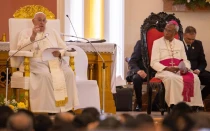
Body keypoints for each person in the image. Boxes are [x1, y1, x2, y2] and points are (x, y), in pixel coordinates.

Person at [17, 12, 79, 113]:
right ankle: (49, 109)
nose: (42, 23)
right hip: (36, 62)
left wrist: (60, 53)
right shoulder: (26, 32)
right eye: (39, 20)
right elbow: (20, 48)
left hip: (55, 61)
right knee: (46, 75)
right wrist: (33, 36)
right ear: (33, 21)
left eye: (44, 20)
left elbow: (65, 47)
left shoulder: (53, 32)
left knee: (69, 73)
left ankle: (67, 108)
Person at [150, 20, 203, 108]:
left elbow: (185, 60)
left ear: (175, 33)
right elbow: (153, 62)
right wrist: (167, 68)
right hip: (164, 71)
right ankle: (174, 105)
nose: (166, 32)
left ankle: (192, 106)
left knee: (195, 78)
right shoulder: (157, 43)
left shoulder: (180, 43)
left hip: (178, 70)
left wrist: (185, 67)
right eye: (165, 30)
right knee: (172, 78)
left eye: (169, 31)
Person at [183, 26, 210, 100]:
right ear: (184, 35)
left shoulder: (198, 44)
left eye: (193, 39)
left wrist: (199, 70)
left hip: (197, 71)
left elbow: (203, 62)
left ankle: (199, 100)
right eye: (189, 39)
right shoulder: (178, 43)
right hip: (184, 72)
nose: (191, 41)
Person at [127, 40, 147, 111]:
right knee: (136, 78)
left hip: (155, 71)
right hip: (140, 71)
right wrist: (138, 71)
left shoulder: (161, 44)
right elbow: (132, 61)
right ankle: (139, 103)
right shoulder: (141, 43)